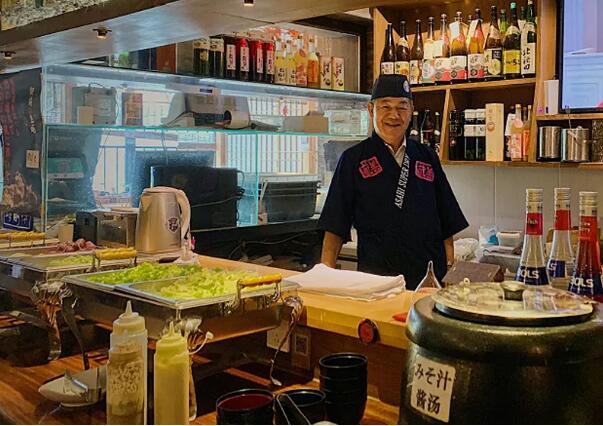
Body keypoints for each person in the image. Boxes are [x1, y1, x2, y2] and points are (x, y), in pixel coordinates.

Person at [318, 74, 468, 289]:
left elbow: (446, 220)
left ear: (411, 110)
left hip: (427, 281)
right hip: (376, 282)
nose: (394, 115)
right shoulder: (354, 159)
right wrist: (325, 279)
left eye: (402, 107)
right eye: (385, 107)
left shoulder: (426, 156)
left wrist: (449, 273)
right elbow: (334, 226)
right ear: (371, 110)